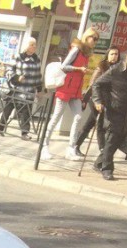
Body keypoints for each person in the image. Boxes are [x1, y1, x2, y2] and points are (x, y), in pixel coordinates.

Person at [90, 44, 127, 180]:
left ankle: (98, 163)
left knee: (118, 141)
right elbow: (97, 84)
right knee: (112, 139)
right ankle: (107, 169)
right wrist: (98, 101)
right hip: (115, 110)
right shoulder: (115, 70)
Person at [42, 28, 98, 160]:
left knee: (78, 117)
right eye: (93, 38)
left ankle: (71, 148)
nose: (95, 41)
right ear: (87, 37)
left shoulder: (86, 53)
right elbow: (64, 66)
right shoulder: (76, 49)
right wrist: (78, 68)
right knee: (56, 117)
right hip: (66, 87)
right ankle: (44, 146)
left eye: (97, 39)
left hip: (76, 89)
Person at [70, 45, 120, 156]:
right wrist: (87, 100)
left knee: (90, 123)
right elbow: (93, 84)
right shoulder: (101, 66)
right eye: (112, 54)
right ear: (107, 55)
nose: (114, 56)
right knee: (100, 124)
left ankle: (76, 145)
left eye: (116, 54)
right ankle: (103, 150)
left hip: (107, 100)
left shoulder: (118, 68)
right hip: (96, 99)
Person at [0, 37, 42, 139]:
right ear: (26, 46)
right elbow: (9, 71)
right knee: (8, 109)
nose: (34, 47)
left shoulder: (37, 59)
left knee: (26, 112)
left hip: (29, 90)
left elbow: (38, 75)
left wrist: (39, 89)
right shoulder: (18, 57)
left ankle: (24, 133)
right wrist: (17, 78)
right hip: (16, 89)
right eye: (32, 45)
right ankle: (0, 128)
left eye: (35, 45)